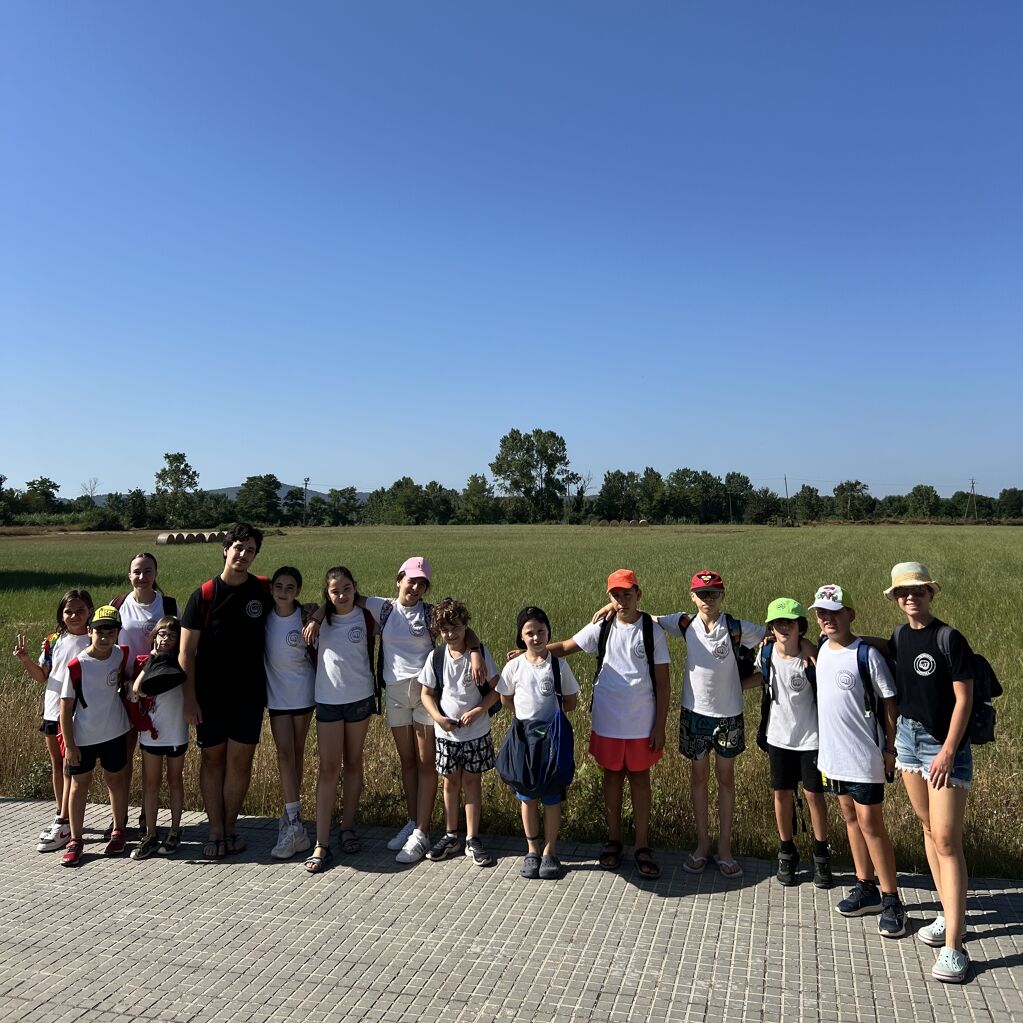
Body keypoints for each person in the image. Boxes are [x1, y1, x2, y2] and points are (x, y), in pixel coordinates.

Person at [303, 556, 485, 865]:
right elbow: (335, 599)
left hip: (425, 694)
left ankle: (423, 832)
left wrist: (477, 652)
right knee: (408, 763)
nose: (415, 587)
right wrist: (318, 616)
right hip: (395, 694)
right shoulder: (382, 607)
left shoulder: (429, 614)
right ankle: (413, 822)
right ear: (398, 580)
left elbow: (461, 629)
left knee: (427, 764)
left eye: (422, 583)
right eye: (411, 580)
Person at [638, 570, 765, 879]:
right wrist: (612, 608)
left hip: (729, 715)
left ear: (723, 596)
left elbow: (774, 638)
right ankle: (702, 845)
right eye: (702, 594)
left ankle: (724, 849)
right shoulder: (684, 623)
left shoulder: (737, 628)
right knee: (697, 779)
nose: (708, 599)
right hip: (693, 714)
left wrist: (754, 678)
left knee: (725, 779)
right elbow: (647, 619)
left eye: (714, 593)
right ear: (691, 596)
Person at [549, 569, 670, 879]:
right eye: (616, 595)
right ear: (609, 597)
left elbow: (663, 682)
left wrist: (660, 726)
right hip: (607, 720)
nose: (622, 600)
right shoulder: (601, 628)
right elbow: (565, 647)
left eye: (627, 593)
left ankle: (642, 845)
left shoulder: (651, 631)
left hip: (642, 722)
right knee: (612, 779)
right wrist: (531, 652)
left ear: (639, 594)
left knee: (640, 780)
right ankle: (614, 840)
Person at [886, 562, 974, 982]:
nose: (910, 597)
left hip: (944, 747)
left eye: (917, 591)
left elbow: (963, 700)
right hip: (908, 739)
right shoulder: (900, 636)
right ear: (896, 599)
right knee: (925, 827)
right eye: (903, 592)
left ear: (930, 594)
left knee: (946, 839)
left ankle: (955, 947)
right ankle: (946, 913)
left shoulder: (949, 638)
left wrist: (948, 751)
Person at [810, 583, 907, 938]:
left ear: (850, 614)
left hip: (864, 755)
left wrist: (890, 749)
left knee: (871, 824)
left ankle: (892, 897)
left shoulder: (867, 656)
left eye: (835, 612)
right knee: (850, 818)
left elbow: (889, 703)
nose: (827, 619)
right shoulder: (820, 648)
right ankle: (865, 886)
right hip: (832, 756)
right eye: (822, 613)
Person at [180, 523, 273, 859]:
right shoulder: (204, 595)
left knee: (241, 763)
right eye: (238, 547)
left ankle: (231, 826)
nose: (243, 555)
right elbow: (185, 654)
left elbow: (294, 603)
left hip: (250, 693)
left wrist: (315, 616)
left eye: (250, 550)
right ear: (225, 549)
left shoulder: (263, 590)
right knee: (211, 759)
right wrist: (188, 699)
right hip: (209, 695)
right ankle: (214, 829)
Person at [303, 567, 377, 873]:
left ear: (355, 588)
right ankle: (322, 842)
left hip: (360, 698)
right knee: (328, 768)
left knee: (354, 762)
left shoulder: (367, 616)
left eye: (347, 589)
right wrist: (317, 615)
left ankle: (347, 827)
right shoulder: (315, 622)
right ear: (327, 593)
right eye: (335, 591)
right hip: (328, 700)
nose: (342, 595)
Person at [497, 606, 579, 880]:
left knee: (552, 797)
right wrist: (524, 718)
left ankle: (550, 852)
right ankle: (532, 850)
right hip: (524, 737)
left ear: (548, 633)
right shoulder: (514, 667)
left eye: (540, 631)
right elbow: (505, 698)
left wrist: (549, 723)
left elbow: (571, 701)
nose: (536, 637)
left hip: (552, 739)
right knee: (527, 796)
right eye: (529, 633)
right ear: (521, 637)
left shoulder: (558, 665)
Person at [419, 598, 501, 868]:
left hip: (476, 732)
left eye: (455, 627)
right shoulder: (437, 657)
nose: (451, 634)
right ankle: (451, 834)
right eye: (444, 630)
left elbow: (497, 689)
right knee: (449, 783)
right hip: (446, 735)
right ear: (438, 631)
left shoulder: (479, 654)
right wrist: (438, 718)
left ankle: (472, 838)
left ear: (466, 625)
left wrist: (479, 711)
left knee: (472, 783)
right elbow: (427, 694)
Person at [12, 589, 93, 852]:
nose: (74, 615)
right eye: (68, 611)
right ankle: (62, 813)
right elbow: (42, 676)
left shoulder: (96, 638)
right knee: (58, 765)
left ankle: (65, 820)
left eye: (80, 610)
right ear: (61, 615)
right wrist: (26, 661)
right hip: (52, 711)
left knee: (73, 767)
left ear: (89, 611)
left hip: (80, 713)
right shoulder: (53, 640)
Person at [758, 597, 831, 888]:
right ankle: (786, 850)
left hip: (811, 738)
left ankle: (820, 852)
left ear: (801, 626)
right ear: (771, 628)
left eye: (790, 622)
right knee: (781, 794)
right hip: (778, 737)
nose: (784, 628)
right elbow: (758, 678)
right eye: (778, 623)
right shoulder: (765, 653)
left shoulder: (814, 657)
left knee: (815, 796)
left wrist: (812, 649)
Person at [58, 605, 133, 867]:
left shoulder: (120, 654)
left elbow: (121, 681)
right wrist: (70, 745)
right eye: (100, 632)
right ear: (90, 631)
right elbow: (65, 710)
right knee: (79, 786)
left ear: (117, 634)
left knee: (116, 780)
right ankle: (76, 840)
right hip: (84, 737)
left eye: (111, 632)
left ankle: (118, 830)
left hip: (115, 731)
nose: (105, 637)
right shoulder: (77, 665)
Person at [111, 551, 178, 837]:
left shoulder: (169, 605)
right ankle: (120, 818)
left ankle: (146, 818)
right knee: (125, 755)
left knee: (154, 756)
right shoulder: (118, 606)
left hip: (160, 693)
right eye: (137, 571)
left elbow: (180, 643)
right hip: (126, 690)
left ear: (156, 574)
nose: (142, 576)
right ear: (129, 575)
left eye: (147, 571)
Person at [265, 566, 315, 860]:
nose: (284, 592)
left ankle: (293, 817)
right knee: (283, 754)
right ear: (271, 588)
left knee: (297, 752)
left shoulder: (306, 616)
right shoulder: (264, 617)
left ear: (298, 591)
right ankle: (293, 819)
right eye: (279, 586)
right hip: (276, 695)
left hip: (303, 692)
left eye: (290, 587)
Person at [130, 616, 188, 859]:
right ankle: (151, 834)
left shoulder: (181, 664)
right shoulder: (149, 662)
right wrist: (152, 659)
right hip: (152, 734)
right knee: (151, 784)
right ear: (154, 637)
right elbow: (137, 690)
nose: (165, 639)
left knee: (175, 780)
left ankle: (175, 830)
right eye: (161, 634)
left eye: (171, 636)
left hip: (176, 731)